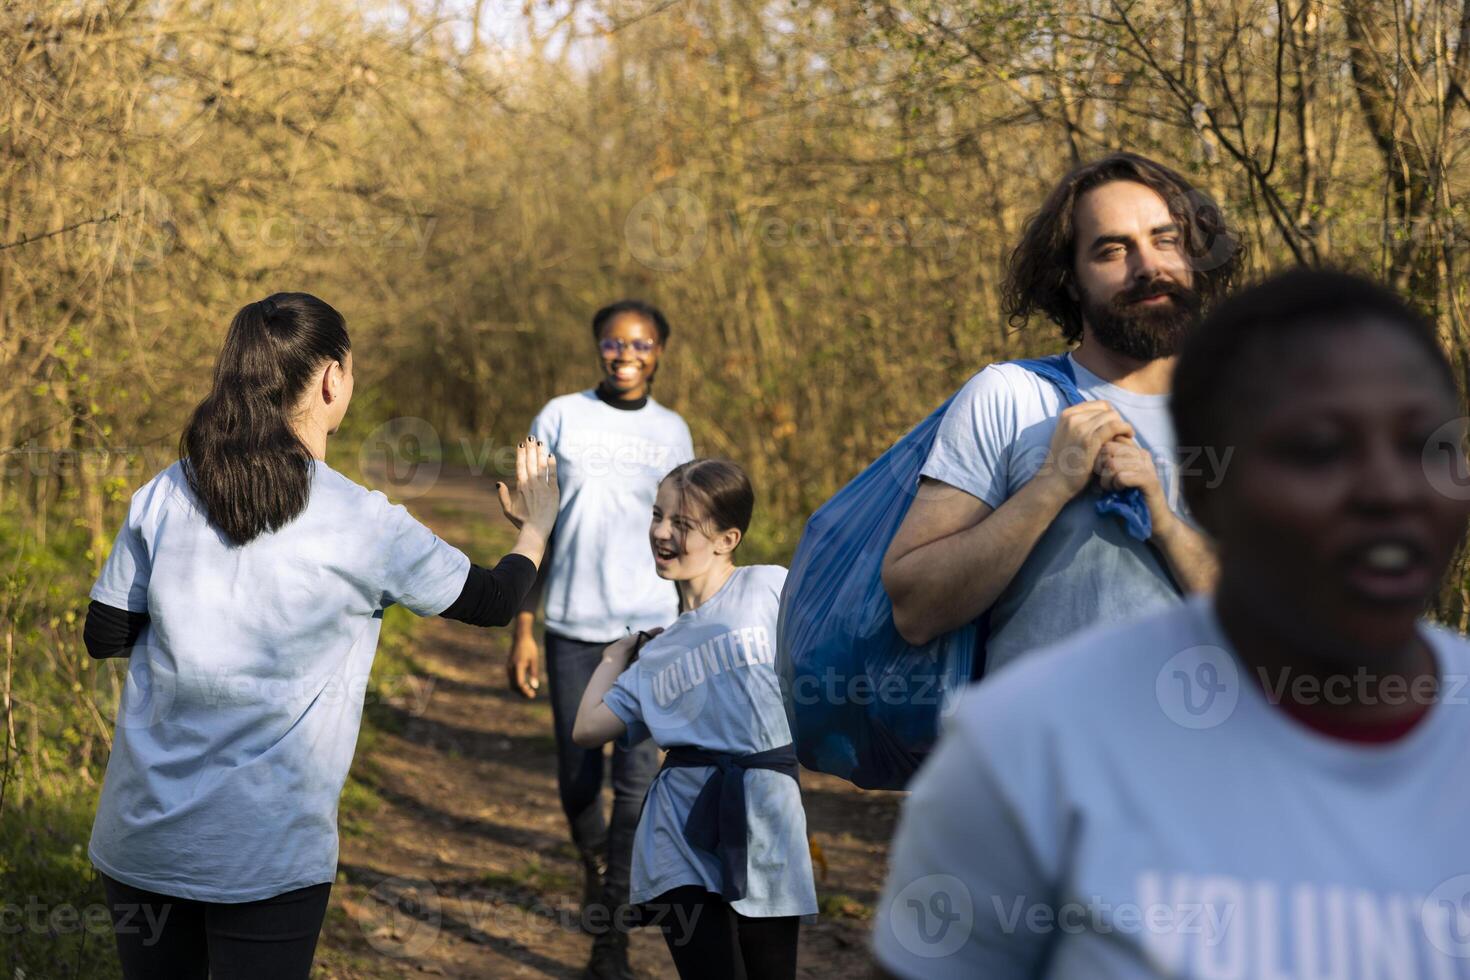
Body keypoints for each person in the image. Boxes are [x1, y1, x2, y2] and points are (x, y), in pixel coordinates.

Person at [872, 268, 1470, 978]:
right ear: (1215, 492)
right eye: (1318, 448)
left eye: (1422, 443)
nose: (1389, 490)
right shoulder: (1024, 746)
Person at [81, 293, 560, 980]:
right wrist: (535, 526)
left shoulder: (166, 492)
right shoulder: (362, 522)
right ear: (333, 378)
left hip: (142, 839)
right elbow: (490, 600)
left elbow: (105, 633)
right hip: (267, 852)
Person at [883, 152, 1239, 677]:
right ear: (1071, 279)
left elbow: (1283, 623)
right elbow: (915, 610)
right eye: (1113, 250)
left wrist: (1163, 522)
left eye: (1165, 241)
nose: (1148, 266)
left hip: (1212, 753)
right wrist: (1052, 484)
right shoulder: (1010, 397)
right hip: (1040, 755)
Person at [572, 459, 818, 980]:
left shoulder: (770, 587)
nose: (662, 532)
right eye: (658, 515)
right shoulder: (657, 652)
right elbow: (587, 729)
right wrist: (615, 658)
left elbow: (834, 642)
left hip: (769, 817)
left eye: (682, 525)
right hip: (678, 828)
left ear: (728, 538)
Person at [507, 299, 695, 979]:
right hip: (572, 628)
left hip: (650, 629)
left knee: (638, 783)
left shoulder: (675, 432)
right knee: (579, 780)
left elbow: (689, 535)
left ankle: (609, 932)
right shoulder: (559, 417)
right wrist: (522, 628)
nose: (627, 356)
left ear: (660, 353)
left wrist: (695, 623)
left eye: (641, 345)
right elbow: (536, 527)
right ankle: (596, 868)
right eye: (615, 344)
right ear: (598, 348)